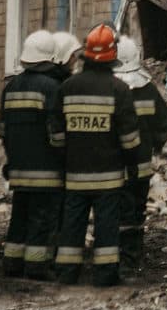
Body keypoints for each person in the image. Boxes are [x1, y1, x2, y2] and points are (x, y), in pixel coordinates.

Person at [48, 24, 141, 286]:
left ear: (86, 55)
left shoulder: (67, 88)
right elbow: (129, 138)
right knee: (107, 228)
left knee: (72, 225)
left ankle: (67, 273)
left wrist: (63, 159)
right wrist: (132, 168)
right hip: (109, 176)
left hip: (75, 174)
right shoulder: (119, 90)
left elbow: (56, 134)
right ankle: (105, 275)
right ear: (112, 57)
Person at [0, 30, 66, 280]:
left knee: (19, 218)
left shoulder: (11, 87)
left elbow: (3, 130)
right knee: (41, 220)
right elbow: (56, 132)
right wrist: (65, 158)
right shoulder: (52, 87)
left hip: (18, 168)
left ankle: (12, 264)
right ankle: (36, 267)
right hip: (46, 171)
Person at [115, 36, 167, 273]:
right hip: (141, 164)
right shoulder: (148, 90)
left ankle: (116, 258)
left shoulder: (111, 89)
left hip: (113, 166)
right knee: (136, 211)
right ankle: (133, 257)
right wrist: (156, 146)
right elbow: (163, 123)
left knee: (115, 212)